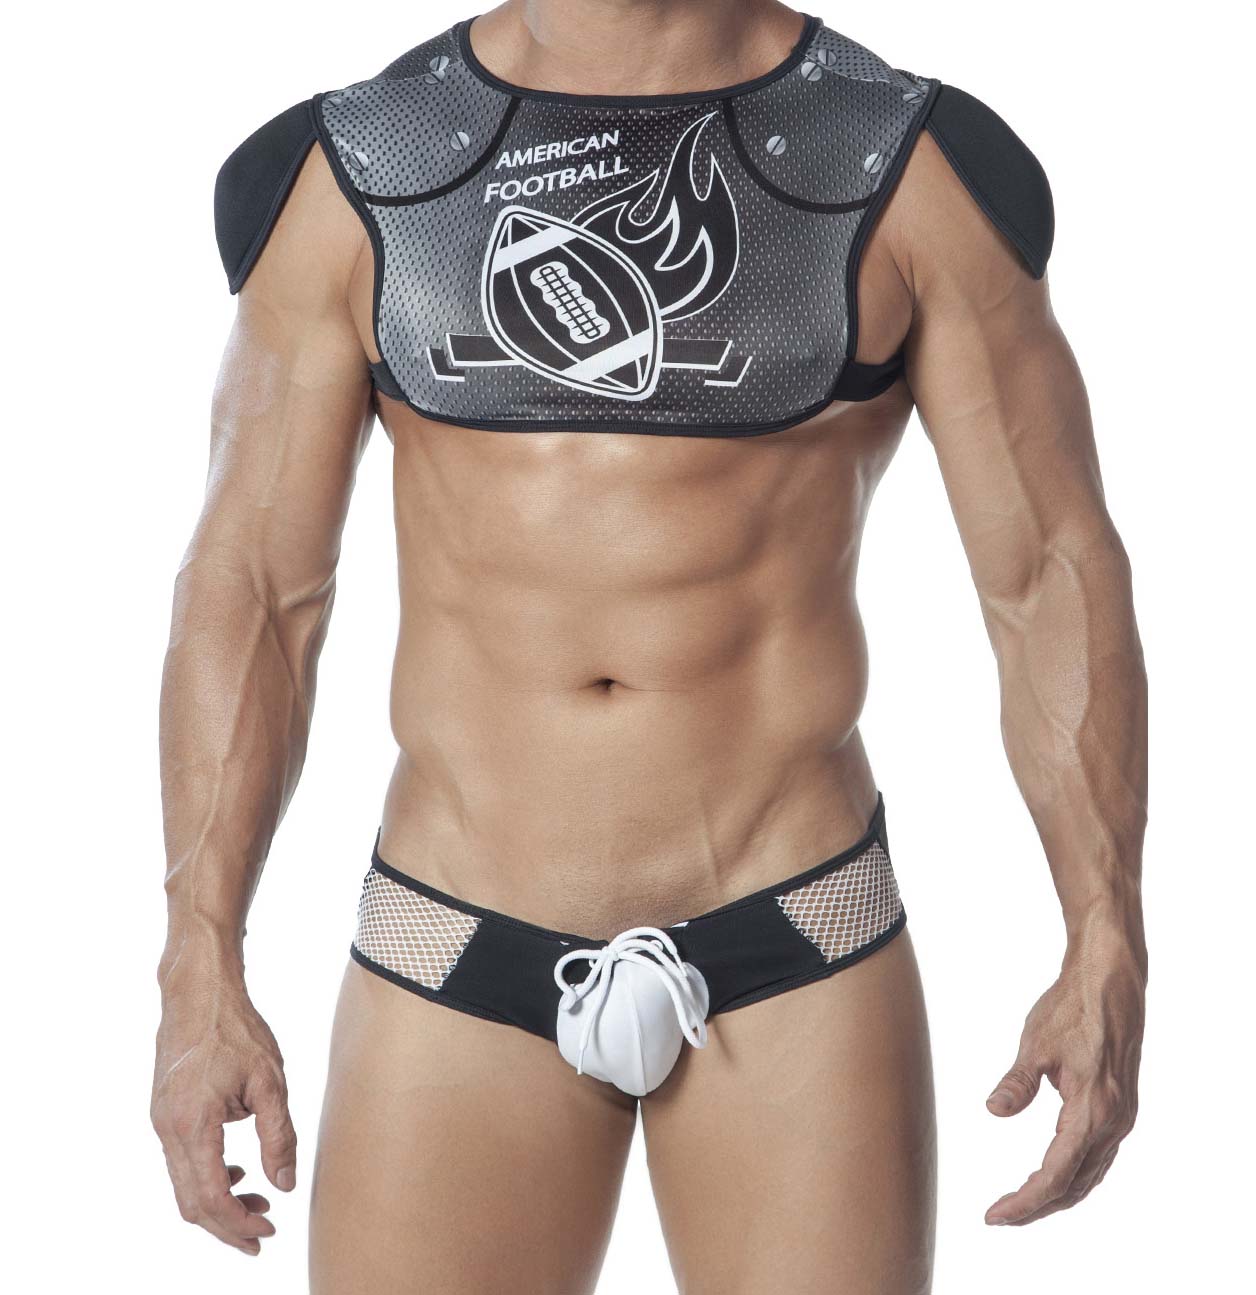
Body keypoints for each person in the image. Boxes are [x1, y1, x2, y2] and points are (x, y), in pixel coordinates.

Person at [151, 2, 1148, 1290]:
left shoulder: (904, 164)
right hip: (452, 936)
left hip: (793, 934)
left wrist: (1105, 931)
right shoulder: (357, 166)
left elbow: (1048, 572)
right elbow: (253, 587)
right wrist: (199, 959)